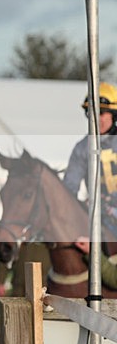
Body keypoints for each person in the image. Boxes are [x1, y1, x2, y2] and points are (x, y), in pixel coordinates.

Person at [63, 82, 117, 237]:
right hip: (99, 214)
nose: (96, 119)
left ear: (113, 115)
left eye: (101, 113)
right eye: (92, 113)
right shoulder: (81, 148)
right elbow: (69, 187)